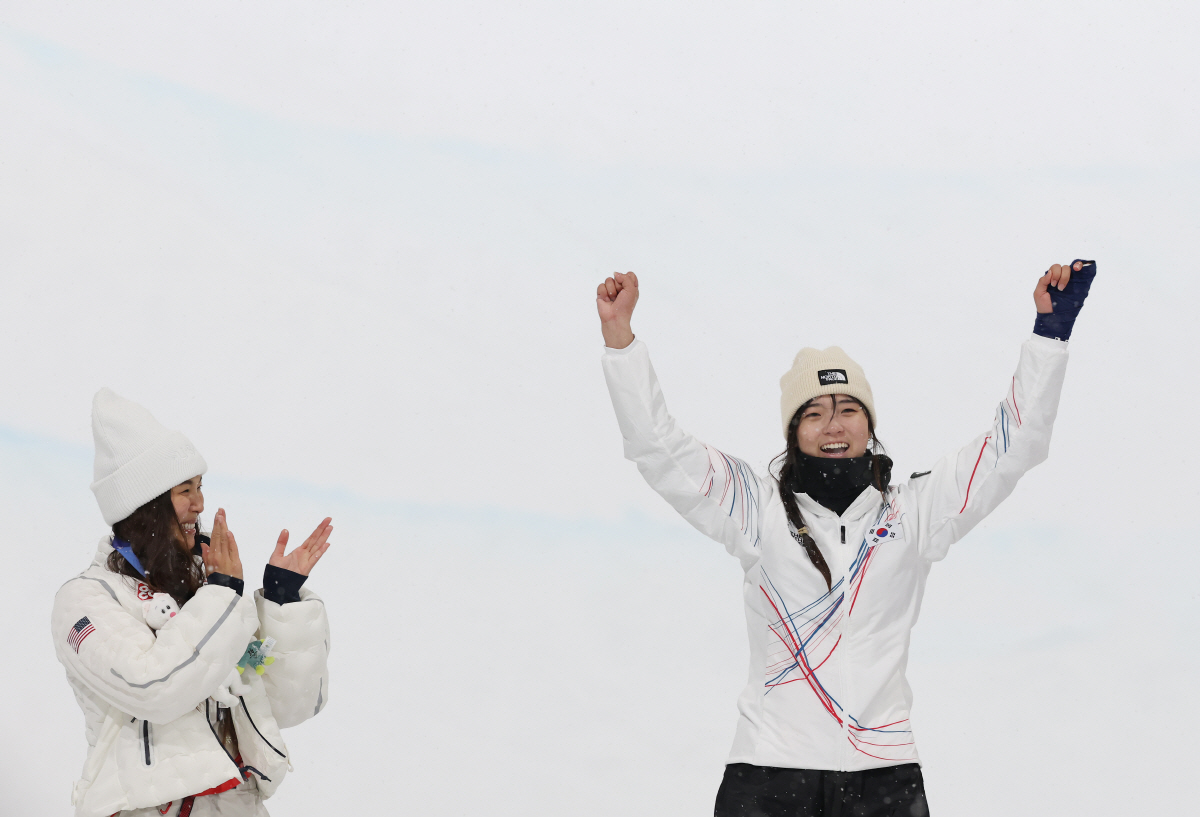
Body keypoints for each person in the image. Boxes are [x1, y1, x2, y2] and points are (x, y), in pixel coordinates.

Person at [596, 262, 1095, 816]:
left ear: (869, 423)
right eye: (814, 413)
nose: (834, 426)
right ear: (792, 431)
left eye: (848, 409)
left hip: (883, 780)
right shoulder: (756, 508)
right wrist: (621, 344)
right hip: (769, 775)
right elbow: (657, 447)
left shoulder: (913, 512)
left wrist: (1049, 337)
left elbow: (1013, 444)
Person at [52, 389, 335, 817]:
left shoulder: (204, 593)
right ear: (144, 507)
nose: (200, 504)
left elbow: (282, 701)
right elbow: (155, 688)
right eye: (185, 490)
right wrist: (222, 591)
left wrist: (280, 599)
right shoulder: (86, 599)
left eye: (200, 487)